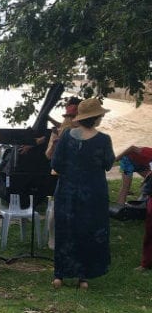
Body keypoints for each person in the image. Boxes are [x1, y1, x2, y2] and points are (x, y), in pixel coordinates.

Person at [51, 98, 114, 289]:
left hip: (67, 191)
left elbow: (55, 164)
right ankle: (83, 277)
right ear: (96, 118)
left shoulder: (67, 136)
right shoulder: (103, 140)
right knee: (87, 232)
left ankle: (59, 275)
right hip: (93, 192)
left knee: (65, 231)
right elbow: (108, 163)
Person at [44, 97, 81, 249]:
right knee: (55, 211)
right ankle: (53, 240)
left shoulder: (84, 133)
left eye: (73, 116)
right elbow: (48, 155)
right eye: (69, 116)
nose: (71, 119)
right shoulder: (57, 132)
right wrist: (54, 145)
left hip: (79, 176)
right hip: (60, 176)